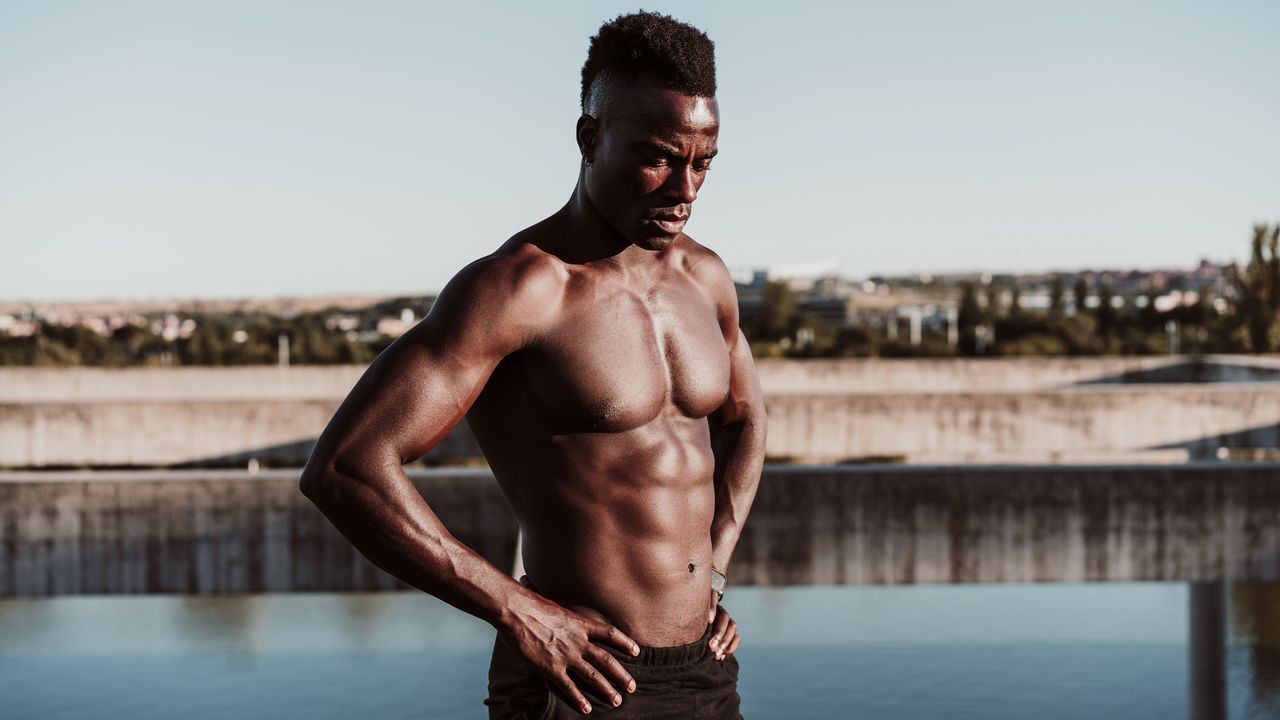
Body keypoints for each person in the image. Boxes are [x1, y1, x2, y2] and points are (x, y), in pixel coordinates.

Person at [300, 10, 766, 718]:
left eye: (704, 163)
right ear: (589, 137)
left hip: (703, 670)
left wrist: (718, 572)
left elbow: (746, 418)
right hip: (575, 681)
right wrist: (517, 610)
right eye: (660, 157)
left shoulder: (705, 279)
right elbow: (346, 469)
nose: (686, 190)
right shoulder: (518, 291)